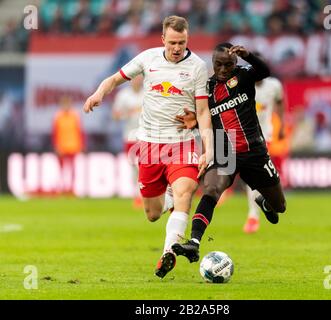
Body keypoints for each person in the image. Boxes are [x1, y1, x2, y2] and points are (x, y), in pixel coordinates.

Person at [83, 16, 213, 278]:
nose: (177, 48)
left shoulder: (198, 67)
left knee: (185, 191)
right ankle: (168, 201)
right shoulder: (147, 58)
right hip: (150, 144)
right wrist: (98, 94)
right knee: (153, 213)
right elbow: (113, 79)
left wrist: (208, 148)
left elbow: (203, 111)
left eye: (183, 42)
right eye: (173, 42)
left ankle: (169, 251)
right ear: (163, 39)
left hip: (182, 143)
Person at [172, 43, 286, 263]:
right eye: (218, 65)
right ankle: (194, 243)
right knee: (212, 190)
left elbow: (265, 72)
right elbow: (206, 119)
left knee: (279, 206)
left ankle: (263, 202)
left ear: (235, 63)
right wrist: (194, 122)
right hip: (226, 149)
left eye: (228, 65)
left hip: (254, 151)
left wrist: (249, 56)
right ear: (212, 64)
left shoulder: (243, 77)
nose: (223, 69)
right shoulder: (205, 89)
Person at [243, 52, 286, 234]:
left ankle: (253, 215)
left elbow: (280, 102)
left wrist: (281, 124)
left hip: (263, 136)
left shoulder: (274, 85)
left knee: (252, 176)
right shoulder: (243, 84)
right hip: (241, 135)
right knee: (230, 171)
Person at [112, 75, 144, 208]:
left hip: (146, 135)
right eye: (135, 78)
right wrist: (127, 113)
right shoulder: (123, 95)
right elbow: (115, 115)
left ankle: (144, 195)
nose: (137, 80)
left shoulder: (148, 93)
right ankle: (137, 195)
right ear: (130, 80)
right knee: (134, 167)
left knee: (145, 166)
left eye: (139, 77)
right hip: (130, 136)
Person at [52, 95, 85, 194]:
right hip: (62, 146)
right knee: (61, 169)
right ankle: (62, 187)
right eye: (64, 104)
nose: (66, 106)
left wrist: (81, 144)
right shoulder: (58, 117)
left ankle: (71, 188)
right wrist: (56, 146)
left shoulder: (75, 116)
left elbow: (80, 131)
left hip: (73, 146)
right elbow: (55, 133)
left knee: (72, 168)